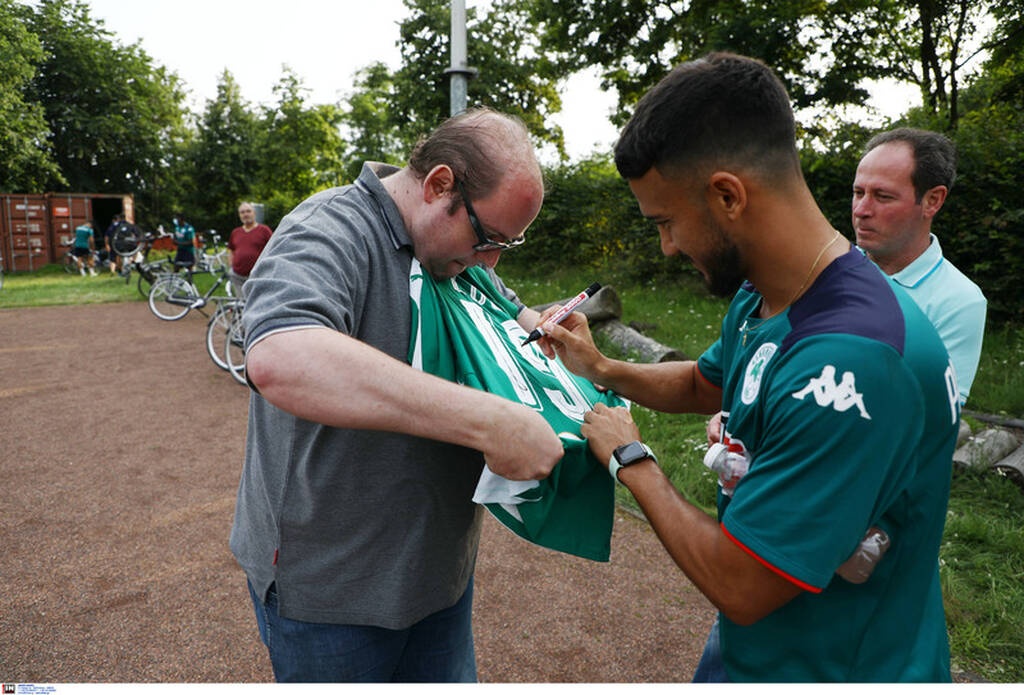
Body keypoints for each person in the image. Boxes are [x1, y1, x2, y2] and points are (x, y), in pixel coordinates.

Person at [539, 53, 960, 682]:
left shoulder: (852, 362)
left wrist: (631, 459)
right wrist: (602, 367)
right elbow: (706, 383)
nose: (667, 247)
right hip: (756, 652)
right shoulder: (767, 291)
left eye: (666, 222)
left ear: (727, 196)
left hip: (838, 669)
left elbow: (743, 583)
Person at [230, 107, 564, 683]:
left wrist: (545, 325)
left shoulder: (457, 254)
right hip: (334, 598)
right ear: (439, 185)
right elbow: (281, 355)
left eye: (506, 245)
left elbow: (508, 311)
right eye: (488, 238)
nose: (490, 260)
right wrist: (488, 421)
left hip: (438, 581)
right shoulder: (330, 227)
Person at [853, 127, 987, 404]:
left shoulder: (959, 301)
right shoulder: (825, 269)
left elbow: (934, 412)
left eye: (883, 196)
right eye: (858, 192)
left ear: (932, 201)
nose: (861, 210)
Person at [226, 202, 273, 293]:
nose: (245, 214)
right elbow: (231, 250)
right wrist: (231, 266)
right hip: (238, 277)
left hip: (258, 276)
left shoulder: (264, 230)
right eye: (242, 212)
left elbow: (273, 249)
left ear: (254, 213)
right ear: (239, 215)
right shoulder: (235, 232)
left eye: (248, 211)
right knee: (241, 301)